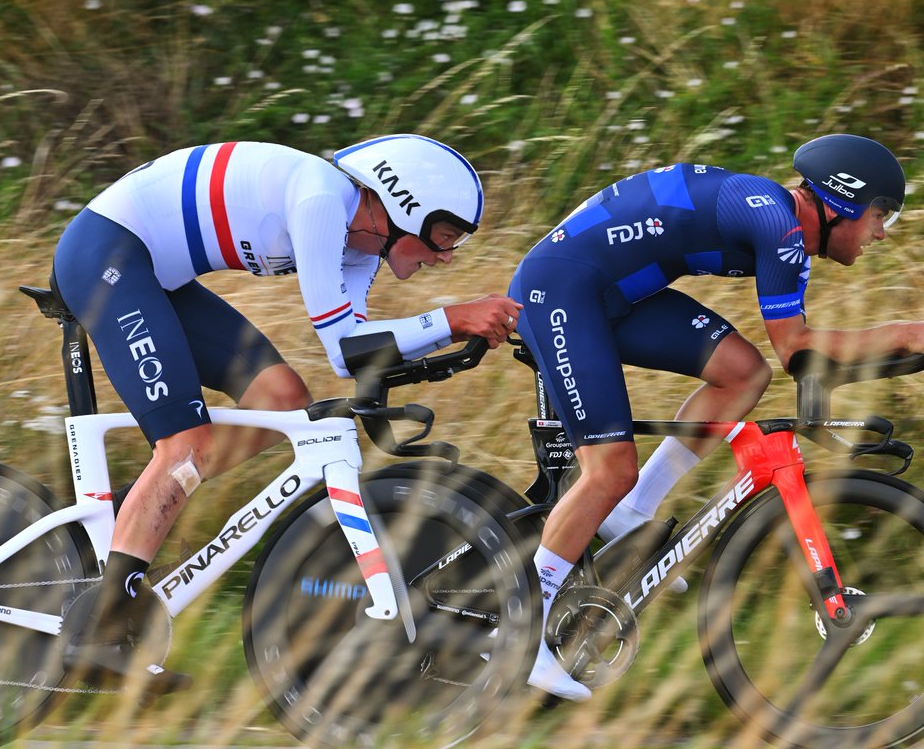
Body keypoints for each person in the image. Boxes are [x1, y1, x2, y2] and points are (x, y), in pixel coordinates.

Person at [51, 134, 523, 692]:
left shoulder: (360, 243)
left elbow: (354, 352)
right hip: (108, 256)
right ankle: (100, 632)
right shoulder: (322, 201)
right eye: (443, 237)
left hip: (153, 275)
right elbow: (343, 345)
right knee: (186, 446)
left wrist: (451, 338)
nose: (446, 256)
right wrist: (452, 318)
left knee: (281, 400)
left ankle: (140, 511)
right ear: (403, 207)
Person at [507, 133, 924, 701]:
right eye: (880, 216)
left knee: (742, 373)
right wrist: (902, 335)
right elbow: (800, 352)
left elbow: (799, 362)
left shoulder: (784, 228)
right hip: (561, 288)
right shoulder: (779, 228)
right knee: (608, 468)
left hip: (615, 292)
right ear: (842, 203)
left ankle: (636, 509)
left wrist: (902, 351)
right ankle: (523, 629)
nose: (880, 232)